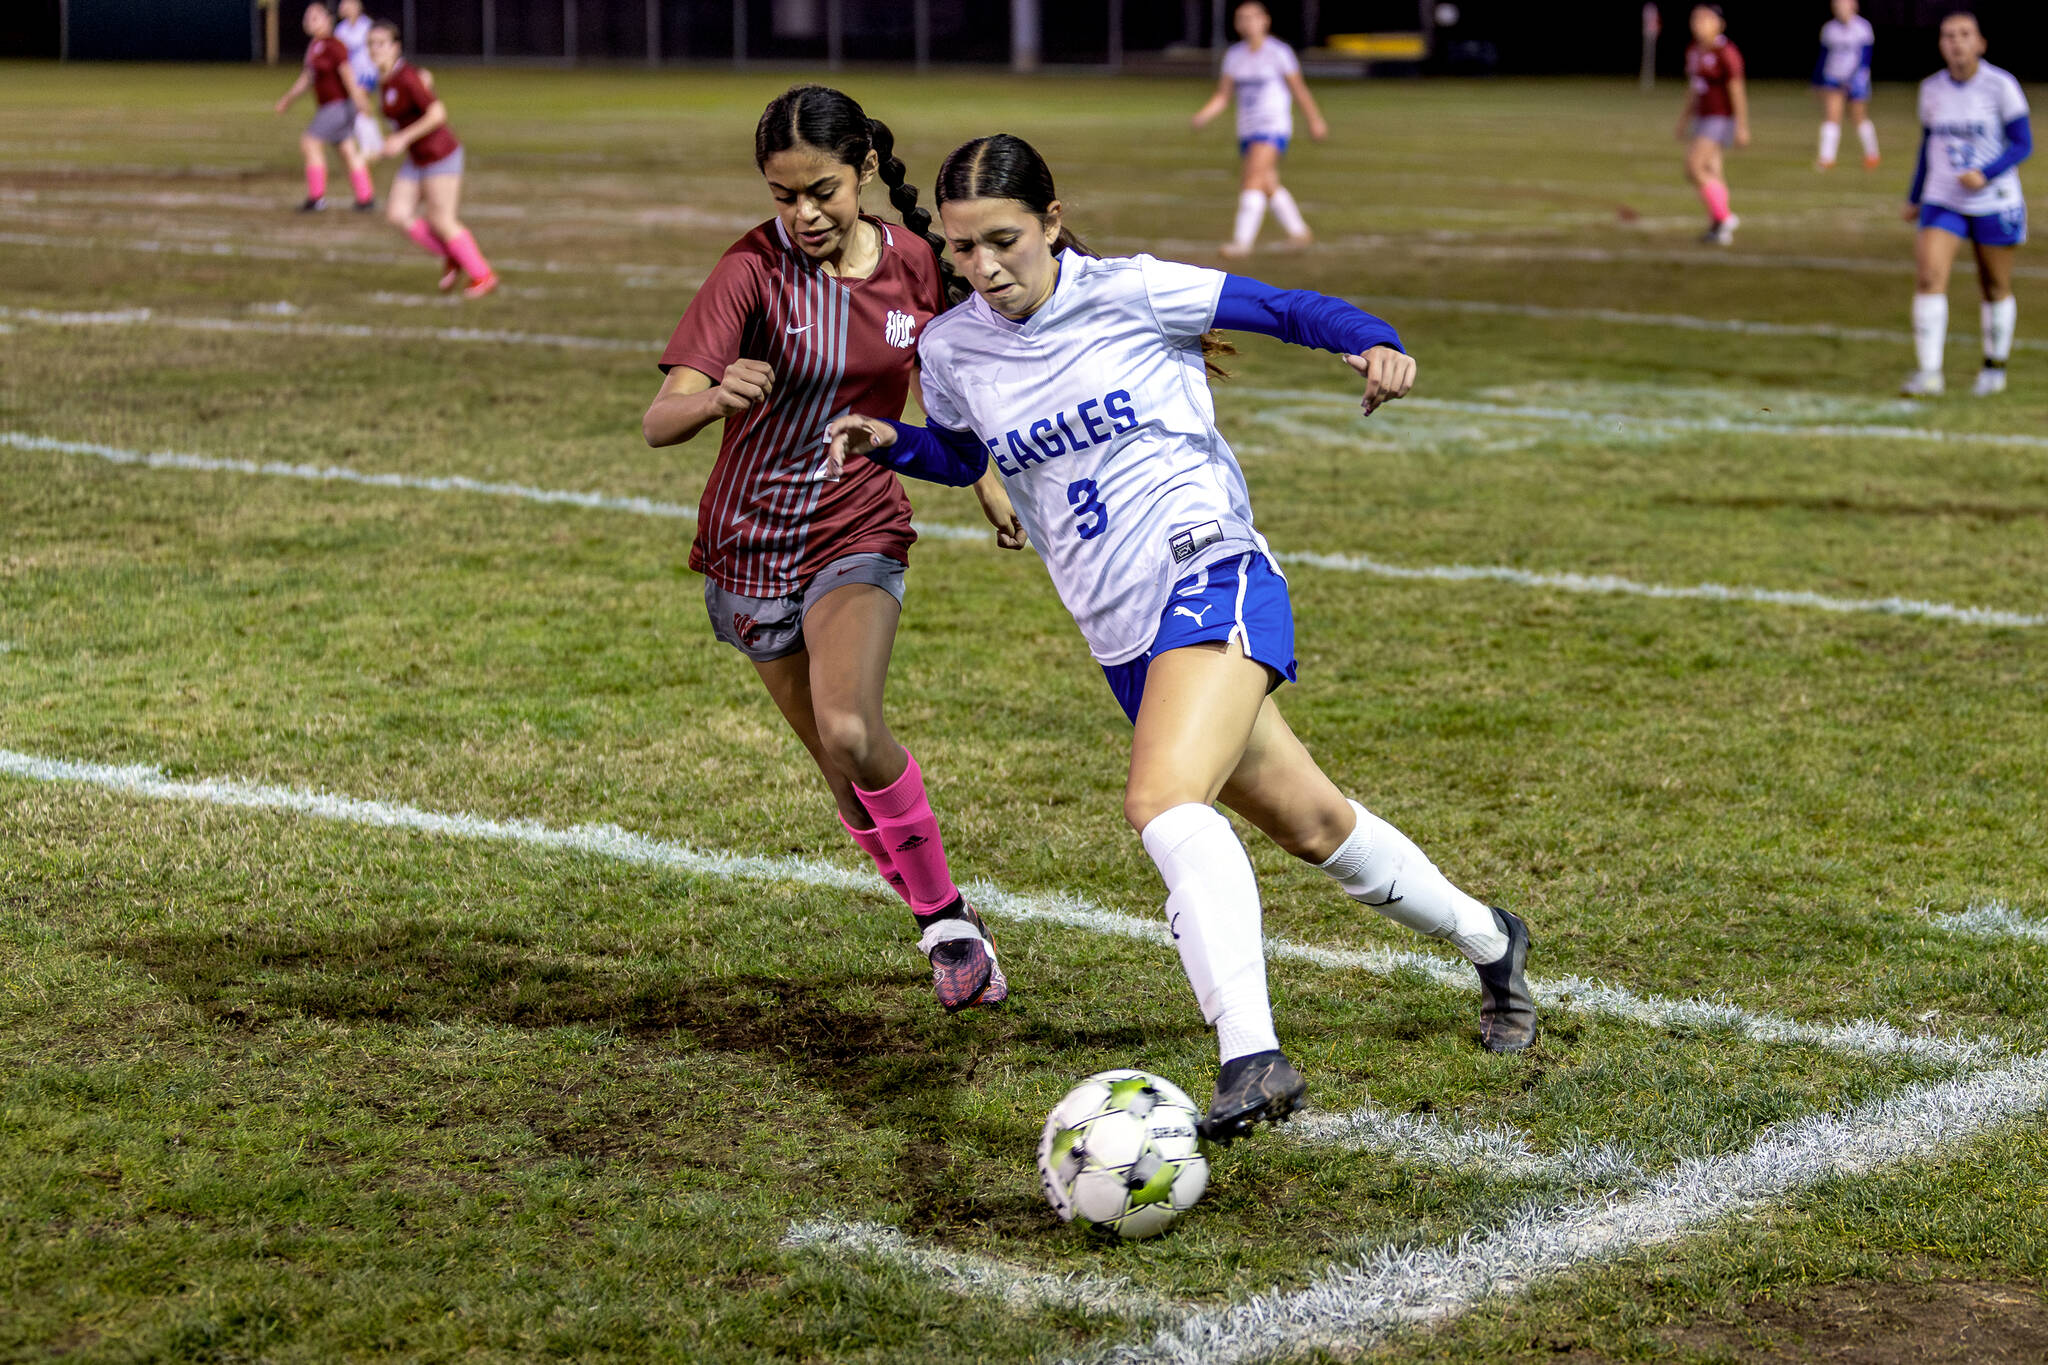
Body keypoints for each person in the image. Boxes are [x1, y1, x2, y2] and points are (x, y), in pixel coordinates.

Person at [824, 134, 1537, 1143]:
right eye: (962, 248)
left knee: (1161, 801)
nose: (983, 268)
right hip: (1120, 637)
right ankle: (1489, 939)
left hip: (1212, 576)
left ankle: (1251, 1056)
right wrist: (894, 442)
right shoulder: (951, 349)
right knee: (1314, 828)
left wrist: (1371, 339)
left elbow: (1284, 308)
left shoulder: (1133, 293)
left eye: (1004, 241)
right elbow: (967, 451)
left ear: (1052, 222)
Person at [641, 87, 1021, 1015]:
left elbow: (960, 375)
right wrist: (712, 397)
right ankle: (941, 917)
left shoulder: (917, 265)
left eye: (821, 190)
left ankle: (948, 927)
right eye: (783, 196)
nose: (803, 214)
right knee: (841, 776)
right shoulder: (749, 269)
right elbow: (660, 420)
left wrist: (982, 473)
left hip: (860, 524)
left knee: (852, 728)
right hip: (749, 543)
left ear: (862, 174)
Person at [1902, 12, 2030, 398]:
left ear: (1980, 43)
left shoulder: (2000, 86)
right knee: (1928, 278)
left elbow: (2023, 143)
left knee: (1993, 285)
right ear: (1940, 44)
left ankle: (1993, 368)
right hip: (1944, 199)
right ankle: (1929, 373)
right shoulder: (1931, 89)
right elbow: (1929, 147)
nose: (1956, 42)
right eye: (1948, 35)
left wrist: (1986, 173)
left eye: (1964, 35)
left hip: (1994, 200)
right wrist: (1914, 195)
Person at [365, 21, 498, 300]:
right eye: (371, 43)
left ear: (395, 47)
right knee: (397, 214)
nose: (374, 49)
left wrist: (402, 139)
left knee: (441, 220)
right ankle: (453, 255)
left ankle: (482, 274)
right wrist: (384, 147)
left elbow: (438, 114)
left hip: (440, 154)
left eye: (381, 43)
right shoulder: (385, 79)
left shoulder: (406, 76)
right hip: (417, 157)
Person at [1191, 0, 1328, 259]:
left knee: (1252, 179)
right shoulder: (1234, 56)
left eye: (1252, 17)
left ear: (1265, 20)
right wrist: (1204, 115)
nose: (1247, 22)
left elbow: (1299, 90)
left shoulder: (1279, 52)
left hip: (1272, 125)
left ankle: (1242, 243)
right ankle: (1299, 232)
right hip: (1247, 129)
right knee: (1267, 183)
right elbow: (1223, 96)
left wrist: (1315, 120)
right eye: (1241, 18)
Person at [272, 2, 375, 214]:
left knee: (310, 142)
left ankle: (316, 197)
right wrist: (288, 99)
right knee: (346, 149)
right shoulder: (315, 47)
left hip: (338, 105)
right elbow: (308, 78)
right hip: (333, 106)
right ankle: (366, 197)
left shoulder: (334, 45)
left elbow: (347, 75)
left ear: (328, 20)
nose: (309, 21)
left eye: (315, 17)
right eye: (307, 17)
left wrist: (360, 101)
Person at [1677, 4, 1748, 246]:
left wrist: (1741, 125)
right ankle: (1719, 228)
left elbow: (1737, 91)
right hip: (1702, 117)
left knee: (1694, 167)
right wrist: (1684, 119)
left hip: (1719, 117)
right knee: (1713, 172)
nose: (1698, 24)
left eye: (1705, 19)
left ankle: (1724, 216)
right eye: (1695, 19)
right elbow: (1693, 89)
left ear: (1719, 24)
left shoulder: (1725, 52)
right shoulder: (1693, 50)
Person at [1812, 0, 1877, 171]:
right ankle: (1827, 158)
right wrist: (1817, 81)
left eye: (1843, 4)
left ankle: (1872, 154)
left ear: (1853, 6)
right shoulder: (1829, 29)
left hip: (1856, 80)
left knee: (1858, 117)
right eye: (1837, 5)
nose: (1840, 9)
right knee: (1832, 117)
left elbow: (1865, 58)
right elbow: (1823, 57)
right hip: (1833, 78)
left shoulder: (1863, 27)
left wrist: (1854, 78)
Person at [334, 0, 385, 159]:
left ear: (357, 6)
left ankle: (367, 148)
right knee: (362, 108)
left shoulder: (367, 26)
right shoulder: (340, 30)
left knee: (360, 105)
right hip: (352, 76)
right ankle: (376, 144)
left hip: (368, 73)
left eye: (348, 4)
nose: (344, 7)